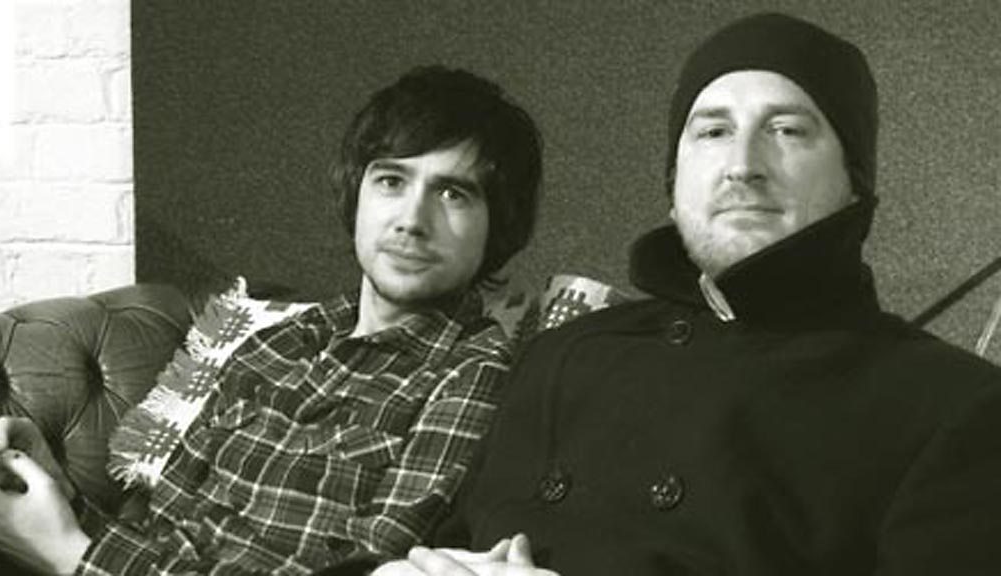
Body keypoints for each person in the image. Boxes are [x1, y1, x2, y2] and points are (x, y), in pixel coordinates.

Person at [361, 12, 1001, 576]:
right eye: (712, 131)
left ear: (855, 180)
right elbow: (442, 549)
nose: (742, 165)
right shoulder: (560, 355)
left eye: (787, 130)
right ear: (674, 184)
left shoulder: (955, 408)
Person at [0, 65, 543, 575]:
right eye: (391, 181)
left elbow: (361, 573)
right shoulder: (278, 341)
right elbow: (160, 534)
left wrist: (71, 554)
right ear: (358, 196)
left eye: (453, 193)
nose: (412, 219)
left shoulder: (475, 374)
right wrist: (63, 499)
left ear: (499, 226)